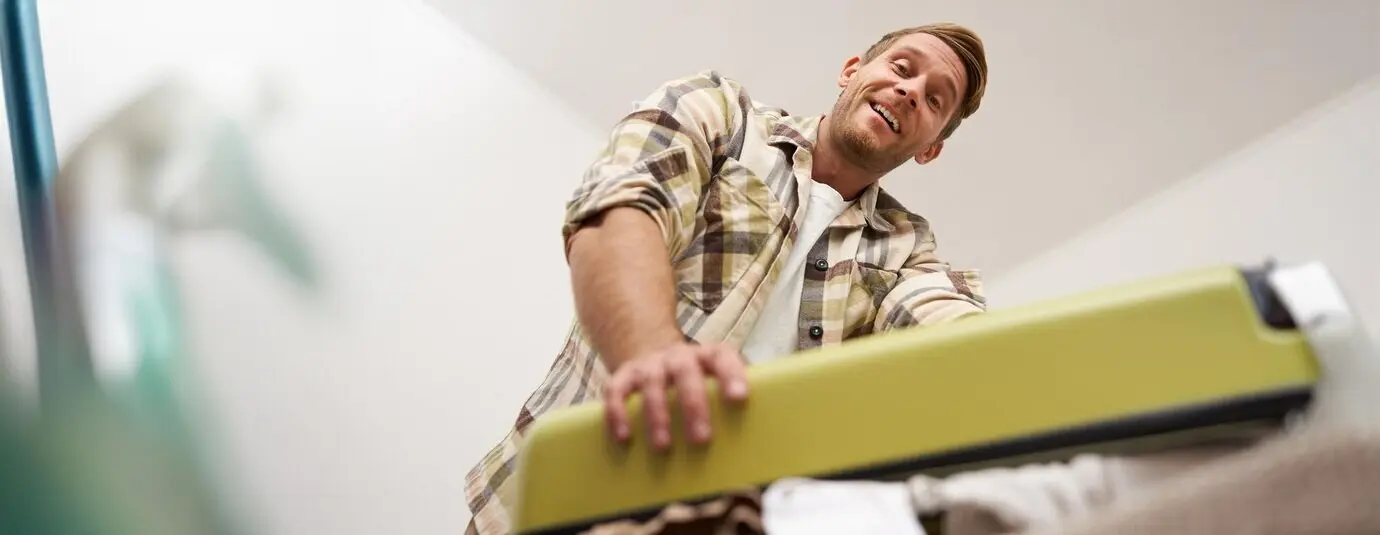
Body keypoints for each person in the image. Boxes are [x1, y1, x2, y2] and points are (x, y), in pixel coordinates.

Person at [465, 22, 991, 534]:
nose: (910, 90)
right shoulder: (722, 115)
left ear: (931, 148)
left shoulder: (908, 250)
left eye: (936, 99)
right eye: (902, 67)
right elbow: (622, 203)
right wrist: (653, 355)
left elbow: (953, 335)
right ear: (851, 70)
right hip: (557, 504)